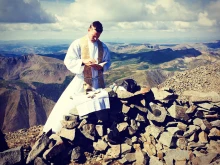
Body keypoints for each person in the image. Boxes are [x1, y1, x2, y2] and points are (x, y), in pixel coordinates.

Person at [43, 21, 111, 133]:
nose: (95, 39)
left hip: (98, 81)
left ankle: (93, 129)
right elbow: (68, 61)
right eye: (93, 35)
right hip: (82, 81)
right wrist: (83, 62)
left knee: (97, 107)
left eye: (97, 36)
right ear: (89, 30)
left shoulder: (103, 46)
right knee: (71, 107)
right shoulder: (78, 43)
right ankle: (60, 130)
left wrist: (102, 67)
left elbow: (108, 61)